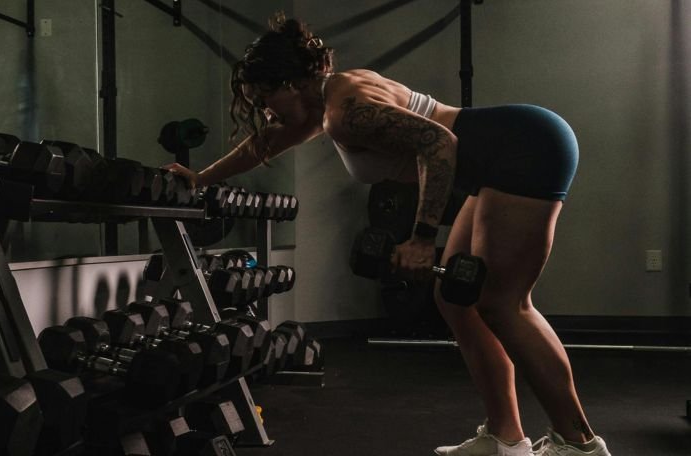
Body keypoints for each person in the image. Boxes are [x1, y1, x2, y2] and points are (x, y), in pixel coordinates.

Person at [164, 13, 611, 456]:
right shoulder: (328, 99)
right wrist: (200, 179)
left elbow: (439, 146)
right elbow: (266, 144)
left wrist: (420, 238)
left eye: (265, 96)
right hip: (499, 157)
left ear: (292, 84)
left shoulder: (346, 112)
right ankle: (505, 437)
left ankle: (580, 444)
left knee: (503, 303)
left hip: (523, 149)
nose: (266, 110)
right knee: (454, 298)